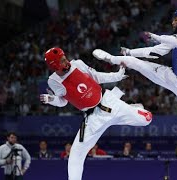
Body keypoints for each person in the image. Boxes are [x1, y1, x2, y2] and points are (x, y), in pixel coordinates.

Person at [93, 8, 177, 180]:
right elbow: (154, 52)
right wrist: (131, 52)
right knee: (135, 62)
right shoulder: (172, 39)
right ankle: (111, 58)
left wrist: (156, 36)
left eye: (176, 19)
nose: (173, 22)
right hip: (171, 77)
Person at [40, 47, 152, 180]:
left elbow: (97, 76)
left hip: (109, 103)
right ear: (54, 65)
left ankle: (132, 108)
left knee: (147, 119)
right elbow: (63, 101)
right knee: (75, 155)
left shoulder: (78, 64)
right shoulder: (53, 81)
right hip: (93, 118)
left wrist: (117, 76)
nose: (67, 61)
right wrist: (51, 99)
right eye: (63, 60)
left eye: (65, 58)